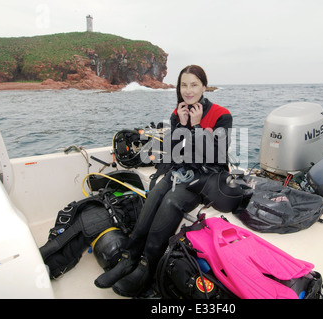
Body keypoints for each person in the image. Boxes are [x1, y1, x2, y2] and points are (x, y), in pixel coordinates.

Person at [94, 65, 233, 297]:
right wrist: (180, 123)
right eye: (184, 85)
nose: (188, 91)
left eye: (194, 85)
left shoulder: (221, 115)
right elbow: (175, 152)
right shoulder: (177, 112)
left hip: (208, 176)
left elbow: (216, 155)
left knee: (171, 200)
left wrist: (197, 125)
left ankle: (147, 266)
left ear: (204, 87)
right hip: (182, 170)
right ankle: (129, 257)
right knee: (158, 192)